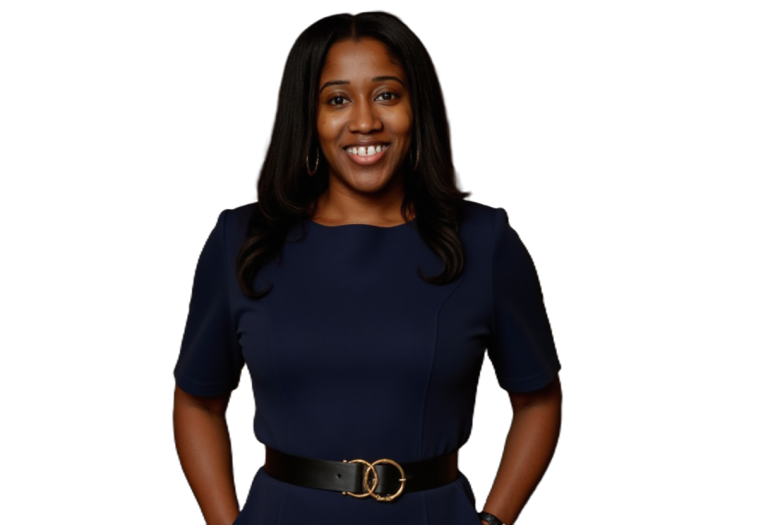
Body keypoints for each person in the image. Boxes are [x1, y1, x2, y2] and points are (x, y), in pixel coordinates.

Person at [173, 11, 562, 525]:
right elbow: (198, 402)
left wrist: (493, 521)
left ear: (415, 108)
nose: (364, 122)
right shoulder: (240, 239)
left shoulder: (485, 241)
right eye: (337, 100)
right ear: (308, 117)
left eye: (386, 95)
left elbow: (538, 401)